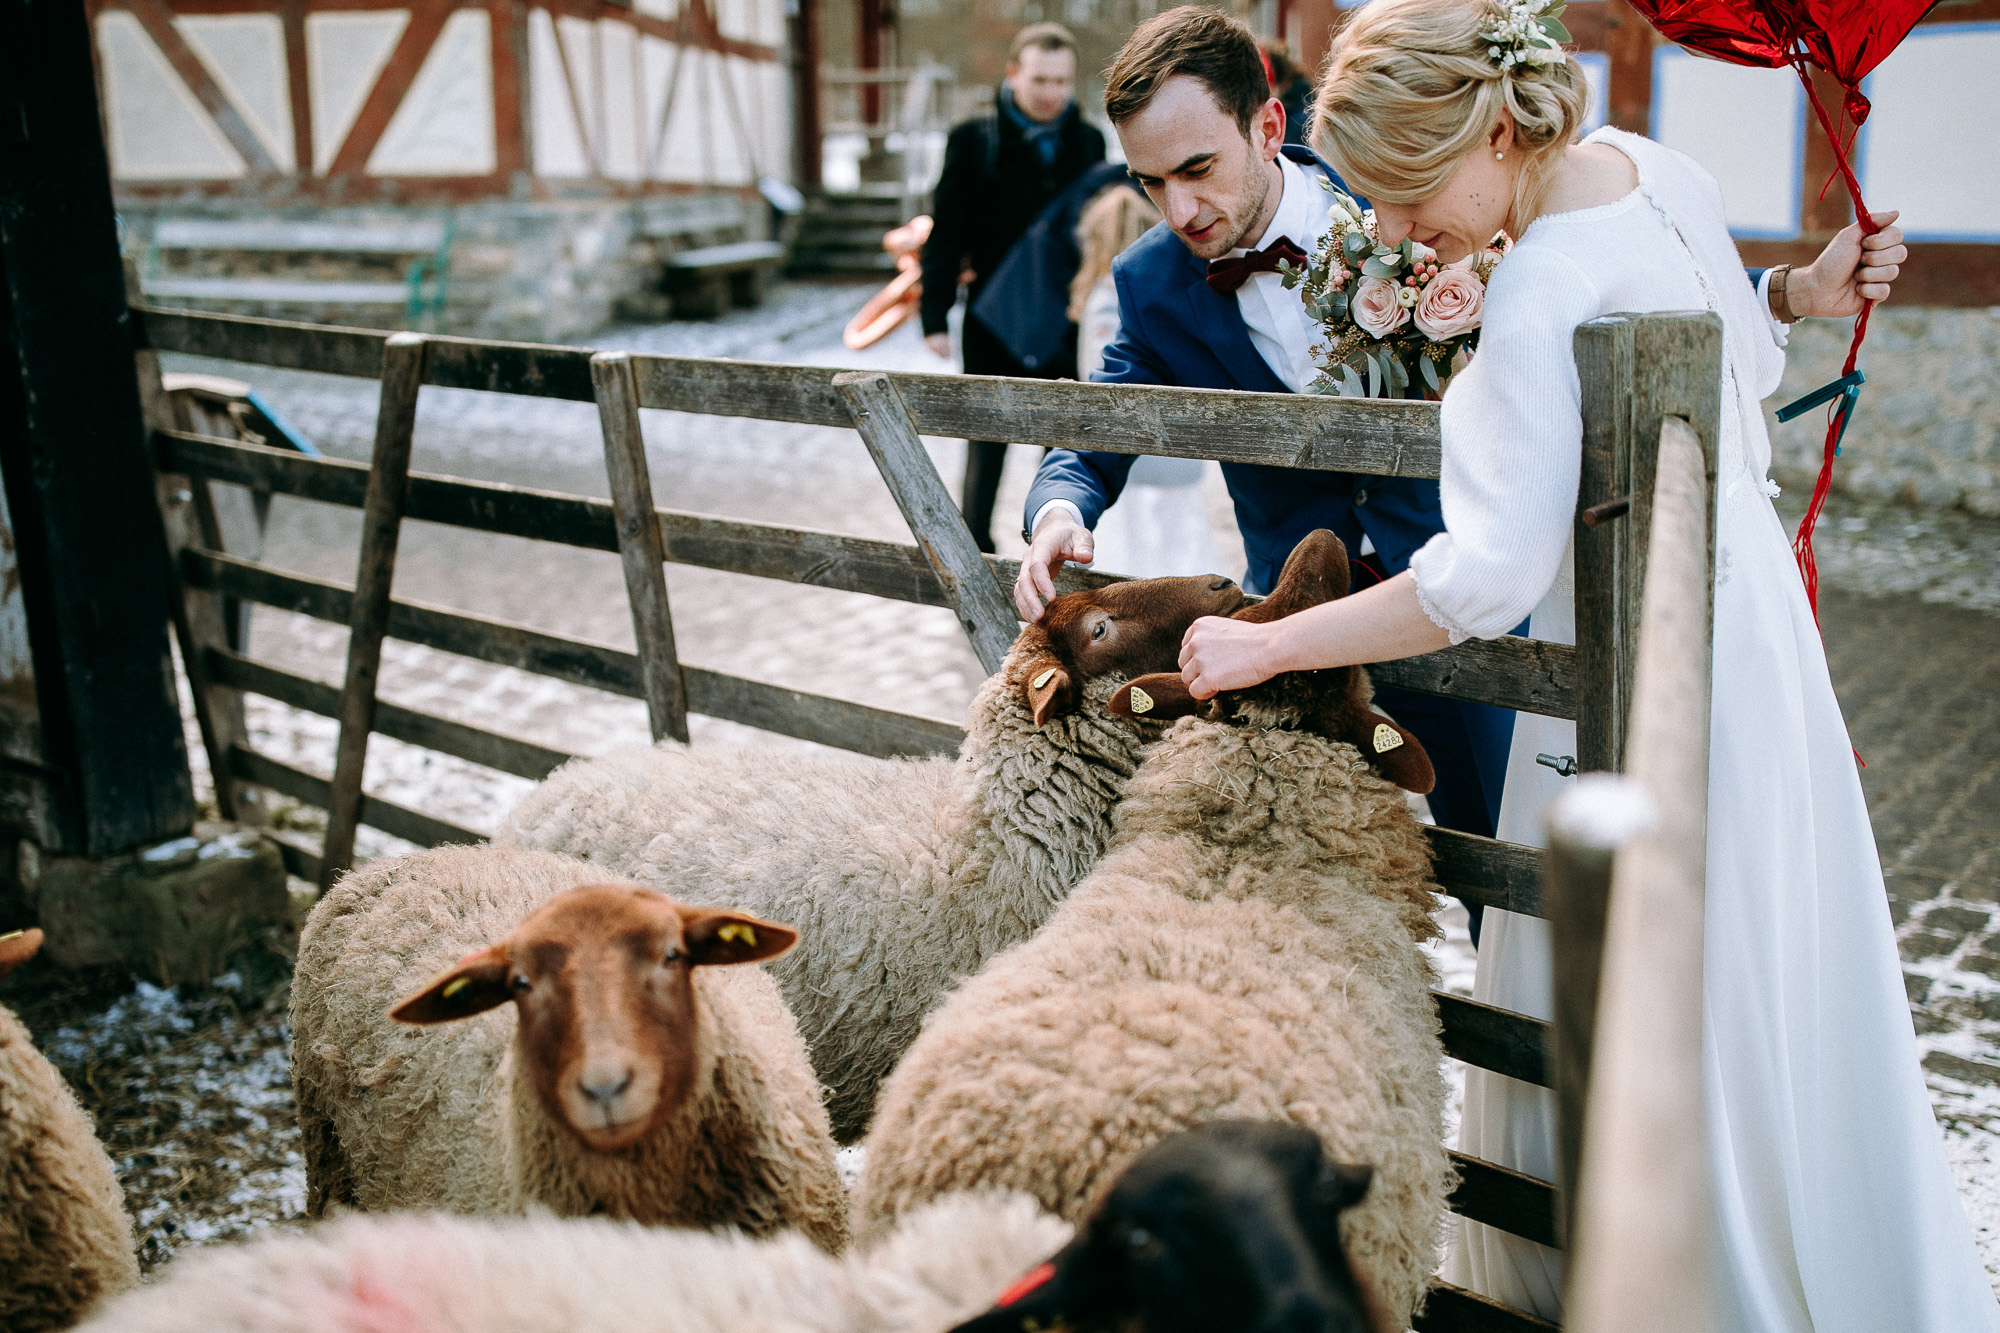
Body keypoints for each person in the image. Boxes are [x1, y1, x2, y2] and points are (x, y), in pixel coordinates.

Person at [1169, 1, 1996, 1328]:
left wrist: (1274, 641)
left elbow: (1482, 578)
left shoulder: (1545, 272)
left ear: (1496, 126)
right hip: (1751, 641)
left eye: (1400, 193)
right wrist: (1801, 288)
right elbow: (1733, 352)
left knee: (1641, 983)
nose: (1387, 231)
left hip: (1623, 662)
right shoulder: (1665, 168)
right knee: (1755, 969)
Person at [922, 22, 1105, 552]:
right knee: (987, 443)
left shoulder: (1088, 141)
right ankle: (973, 550)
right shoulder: (975, 140)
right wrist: (935, 317)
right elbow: (946, 230)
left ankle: (1050, 549)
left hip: (1061, 318)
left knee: (1060, 445)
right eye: (1040, 80)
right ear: (1013, 75)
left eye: (1062, 82)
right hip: (990, 317)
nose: (1051, 94)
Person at [1069, 184, 1225, 580]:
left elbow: (1098, 376)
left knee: (1137, 551)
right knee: (1179, 544)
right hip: (1171, 455)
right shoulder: (1146, 296)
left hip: (1137, 457)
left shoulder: (1107, 299)